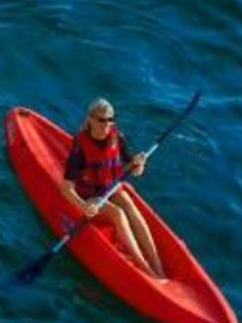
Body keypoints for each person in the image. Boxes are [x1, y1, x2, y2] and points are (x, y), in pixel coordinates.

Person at [60, 97, 165, 279]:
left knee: (129, 204)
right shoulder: (80, 146)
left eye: (110, 119)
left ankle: (157, 265)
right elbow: (66, 187)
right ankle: (145, 269)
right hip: (90, 197)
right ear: (90, 119)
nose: (107, 124)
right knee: (118, 213)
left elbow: (134, 170)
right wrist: (82, 206)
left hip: (110, 189)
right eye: (102, 120)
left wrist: (139, 165)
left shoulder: (117, 136)